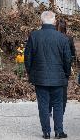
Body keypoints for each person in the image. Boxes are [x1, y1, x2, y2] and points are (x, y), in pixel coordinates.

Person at [24, 11, 71, 139]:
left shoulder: (34, 36)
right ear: (54, 22)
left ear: (41, 21)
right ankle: (59, 131)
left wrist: (31, 72)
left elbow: (27, 57)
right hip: (58, 78)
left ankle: (46, 132)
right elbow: (67, 59)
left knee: (43, 105)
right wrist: (66, 74)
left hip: (40, 78)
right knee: (58, 104)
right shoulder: (63, 38)